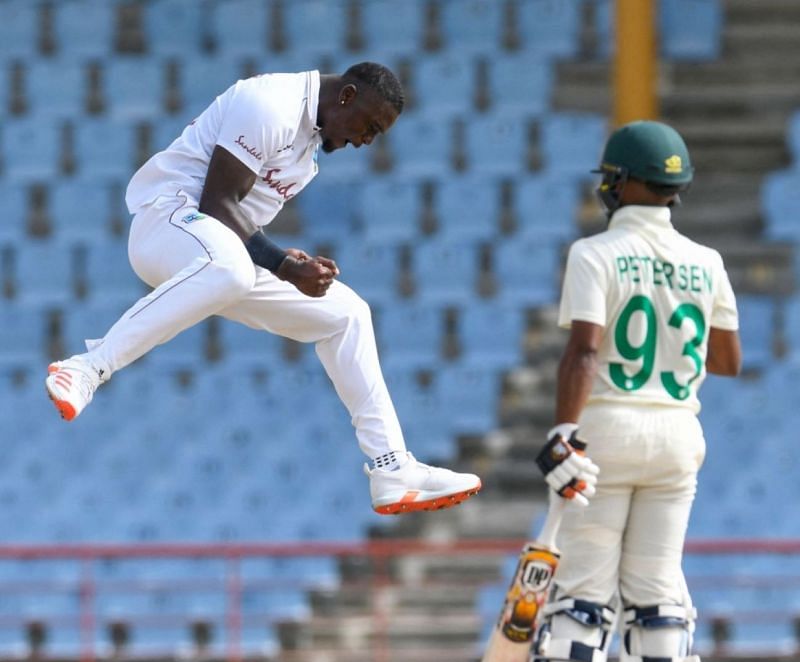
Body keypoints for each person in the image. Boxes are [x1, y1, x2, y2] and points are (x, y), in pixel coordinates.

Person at [45, 62, 481, 515]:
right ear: (346, 96)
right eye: (369, 127)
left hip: (215, 251)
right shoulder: (271, 103)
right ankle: (86, 368)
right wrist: (281, 265)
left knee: (346, 314)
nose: (366, 141)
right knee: (230, 268)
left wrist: (286, 260)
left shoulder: (309, 148)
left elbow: (240, 226)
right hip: (165, 221)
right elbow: (216, 204)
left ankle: (391, 468)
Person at [529, 121, 741, 662]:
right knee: (657, 599)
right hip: (678, 434)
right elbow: (727, 359)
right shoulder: (706, 261)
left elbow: (585, 352)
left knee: (584, 593)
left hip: (608, 429)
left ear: (623, 182)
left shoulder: (595, 253)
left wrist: (564, 430)